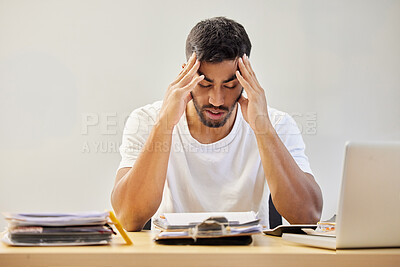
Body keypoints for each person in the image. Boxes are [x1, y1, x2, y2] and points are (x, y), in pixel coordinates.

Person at [111, 17, 323, 231]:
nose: (217, 100)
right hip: (172, 258)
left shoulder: (277, 124)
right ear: (186, 75)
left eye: (230, 85)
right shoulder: (147, 120)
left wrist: (263, 128)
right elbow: (128, 218)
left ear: (246, 79)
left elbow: (308, 216)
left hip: (250, 259)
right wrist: (165, 123)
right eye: (204, 84)